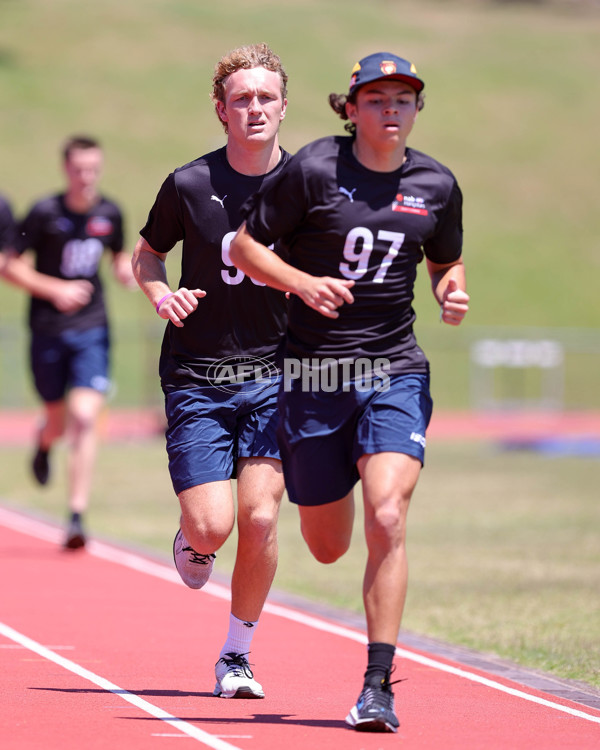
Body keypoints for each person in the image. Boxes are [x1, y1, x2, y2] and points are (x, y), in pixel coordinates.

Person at [230, 52, 470, 732]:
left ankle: (377, 687)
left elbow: (446, 261)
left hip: (394, 367)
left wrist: (451, 290)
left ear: (416, 109)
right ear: (352, 108)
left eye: (404, 99)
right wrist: (301, 283)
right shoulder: (313, 170)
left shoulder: (436, 184)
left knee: (388, 514)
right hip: (313, 376)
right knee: (329, 543)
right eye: (377, 98)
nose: (391, 109)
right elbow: (246, 248)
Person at [131, 44, 290, 700]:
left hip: (279, 374)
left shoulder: (308, 186)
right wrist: (161, 294)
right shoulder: (189, 184)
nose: (255, 109)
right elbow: (146, 257)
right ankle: (192, 543)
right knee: (212, 526)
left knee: (260, 517)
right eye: (242, 99)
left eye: (266, 98)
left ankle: (237, 654)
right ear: (222, 110)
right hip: (198, 374)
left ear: (284, 106)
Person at [12, 135, 135, 550]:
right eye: (79, 170)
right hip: (47, 328)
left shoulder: (110, 212)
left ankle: (77, 516)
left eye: (93, 170)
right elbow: (8, 265)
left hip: (92, 327)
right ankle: (44, 443)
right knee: (57, 418)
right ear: (66, 169)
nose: (87, 178)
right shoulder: (45, 213)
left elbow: (119, 254)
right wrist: (54, 290)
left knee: (84, 416)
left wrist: (125, 271)